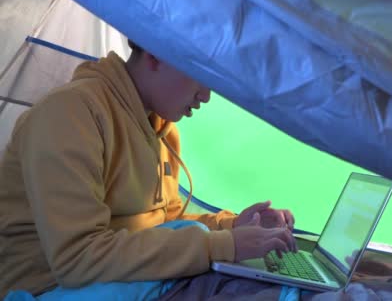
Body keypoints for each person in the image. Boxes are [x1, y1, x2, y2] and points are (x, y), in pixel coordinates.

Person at [0, 40, 297, 299]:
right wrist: (222, 246)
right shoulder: (69, 115)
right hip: (48, 290)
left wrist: (232, 226)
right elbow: (78, 259)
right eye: (201, 76)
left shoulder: (162, 131)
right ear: (157, 53)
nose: (206, 96)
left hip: (123, 279)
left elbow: (165, 222)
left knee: (242, 276)